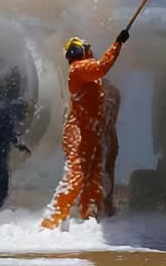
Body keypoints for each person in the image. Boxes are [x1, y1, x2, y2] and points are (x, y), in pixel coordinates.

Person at [40, 30, 129, 229]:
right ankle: (50, 221)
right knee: (76, 175)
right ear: (79, 51)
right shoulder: (79, 69)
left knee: (94, 176)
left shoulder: (86, 73)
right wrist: (117, 44)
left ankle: (89, 215)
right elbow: (101, 66)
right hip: (79, 131)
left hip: (91, 131)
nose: (90, 50)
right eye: (86, 48)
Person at [101, 82, 122, 218]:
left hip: (103, 134)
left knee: (106, 168)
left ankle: (103, 206)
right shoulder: (113, 91)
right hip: (106, 134)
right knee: (108, 168)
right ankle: (105, 206)